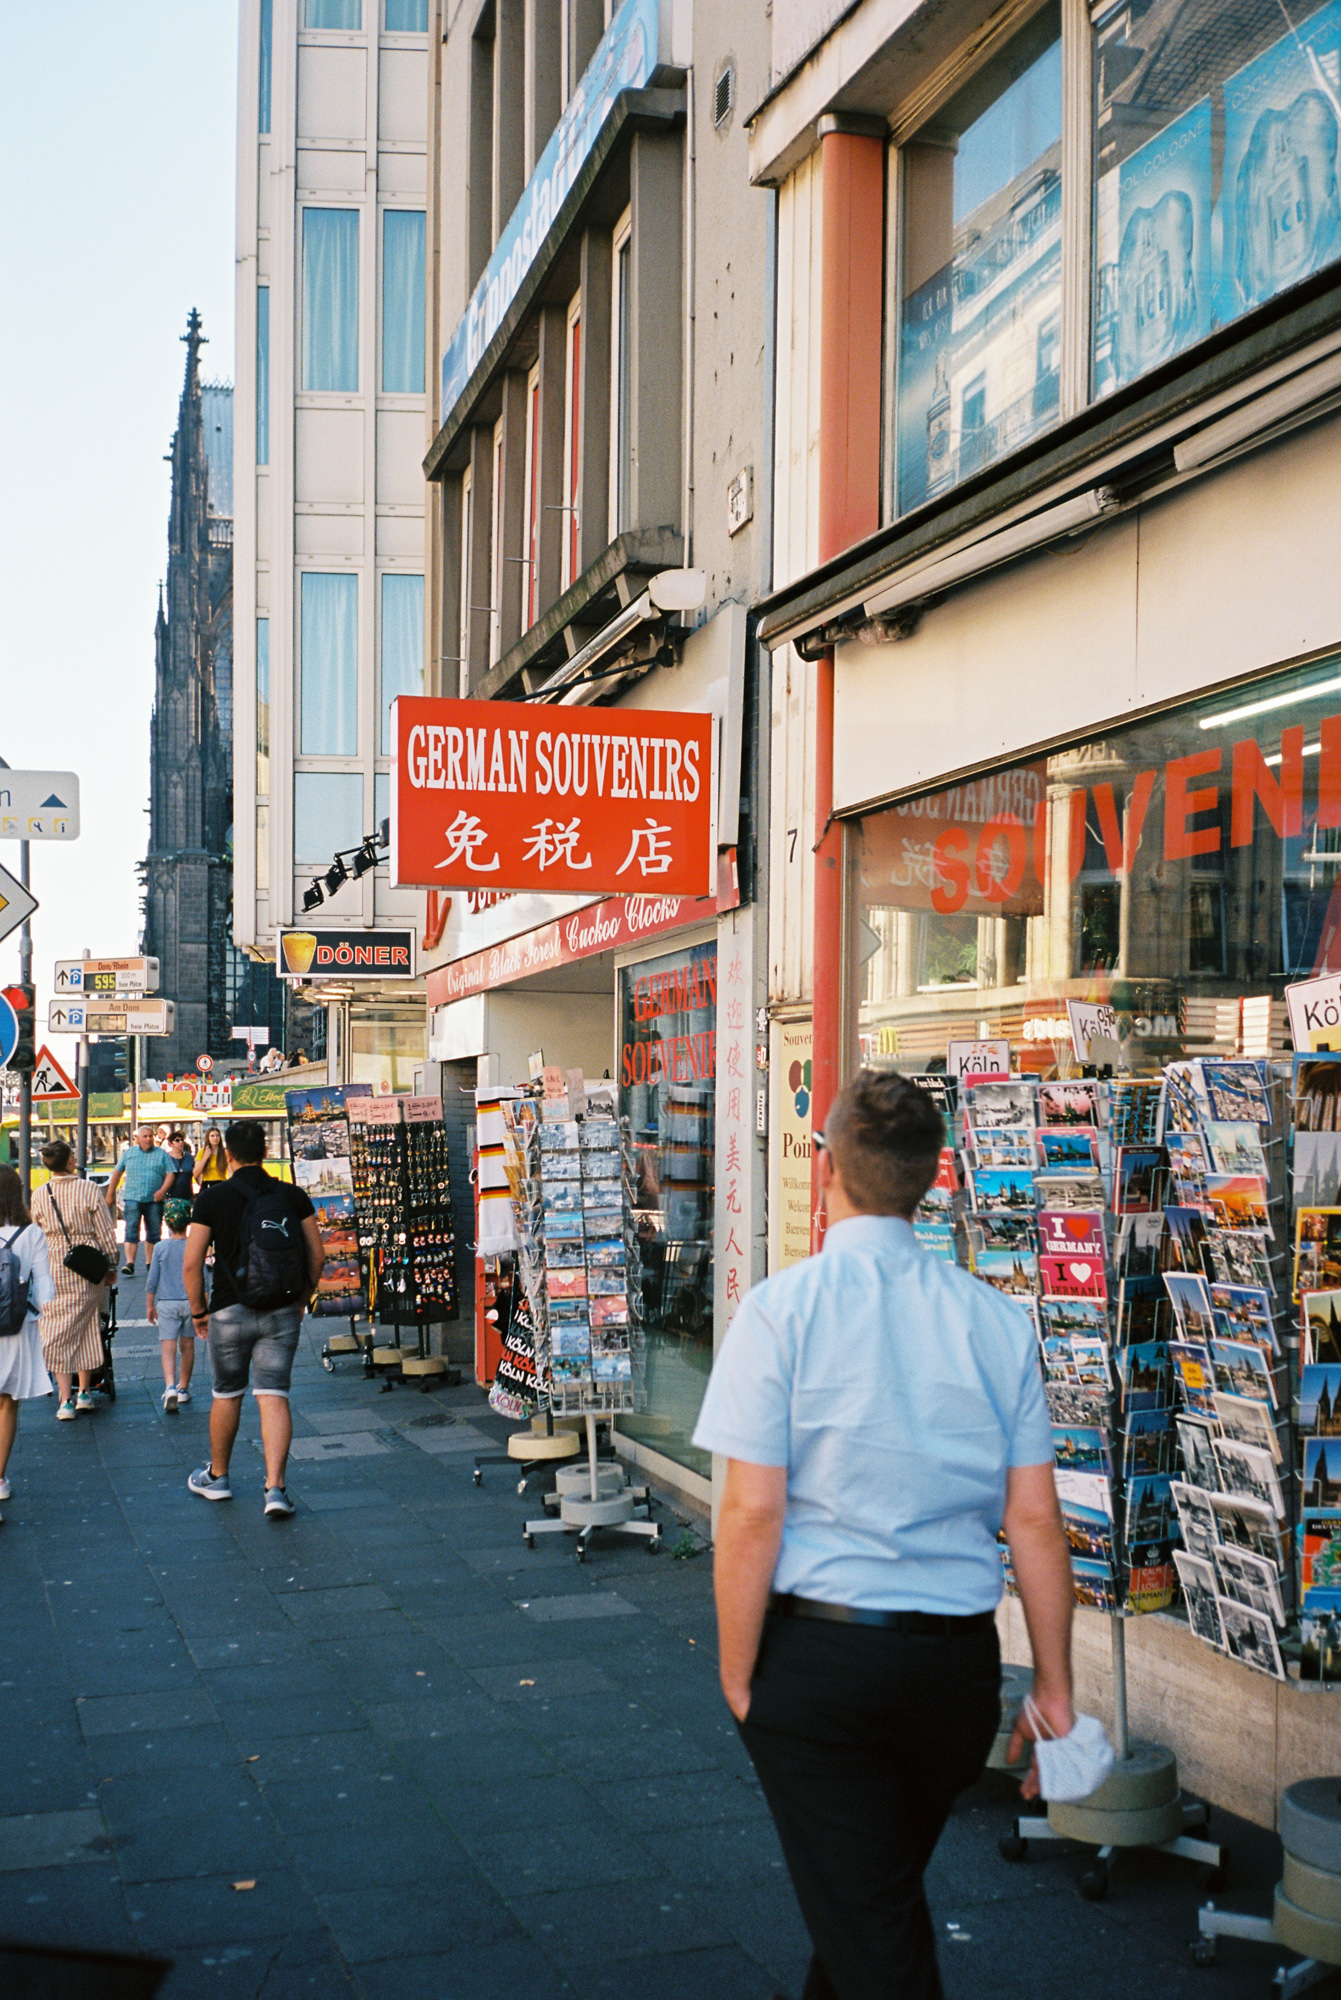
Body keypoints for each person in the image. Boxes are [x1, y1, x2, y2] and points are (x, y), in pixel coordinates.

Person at [692, 1070, 1075, 2000]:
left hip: (818, 1664)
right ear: (934, 1173)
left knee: (873, 1932)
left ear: (825, 1167)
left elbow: (749, 1513)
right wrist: (1056, 1689)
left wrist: (739, 1675)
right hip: (952, 1678)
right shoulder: (994, 1318)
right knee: (868, 1900)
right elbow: (1032, 1518)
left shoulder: (782, 1311)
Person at [184, 1119, 325, 1516]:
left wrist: (198, 1311)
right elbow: (318, 1255)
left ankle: (218, 1478)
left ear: (228, 1155)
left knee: (227, 1393)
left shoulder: (212, 1199)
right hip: (282, 1310)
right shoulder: (292, 1195)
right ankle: (275, 1489)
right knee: (274, 1395)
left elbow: (192, 1264)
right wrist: (302, 1296)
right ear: (265, 1151)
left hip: (228, 1311)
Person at [31, 1141, 118, 1421]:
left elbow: (36, 1232)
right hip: (86, 1266)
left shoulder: (40, 1194)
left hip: (54, 1266)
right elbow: (105, 1232)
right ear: (70, 1161)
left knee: (56, 1331)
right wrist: (111, 1264)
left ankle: (64, 1399)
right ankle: (84, 1393)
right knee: (86, 1326)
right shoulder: (89, 1189)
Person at [0, 1165, 55, 1514]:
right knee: (7, 1402)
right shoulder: (31, 1233)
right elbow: (45, 1286)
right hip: (17, 1327)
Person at [147, 1199, 196, 1412]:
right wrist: (202, 1305)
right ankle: (183, 1387)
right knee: (188, 1347)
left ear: (167, 1222)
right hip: (189, 1302)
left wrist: (150, 1305)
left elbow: (152, 1280)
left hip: (167, 1303)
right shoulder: (194, 1245)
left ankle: (170, 1386)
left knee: (168, 1347)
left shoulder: (159, 1247)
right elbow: (201, 1277)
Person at [106, 1126, 175, 1277]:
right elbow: (117, 1173)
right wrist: (110, 1195)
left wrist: (162, 1191)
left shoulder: (162, 1154)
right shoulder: (129, 1153)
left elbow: (171, 1174)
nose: (148, 1139)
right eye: (145, 1136)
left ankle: (150, 1263)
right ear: (138, 1138)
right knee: (131, 1229)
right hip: (132, 1198)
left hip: (154, 1199)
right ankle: (130, 1263)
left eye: (150, 1136)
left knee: (154, 1232)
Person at [163, 1131, 195, 1200]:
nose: (180, 1142)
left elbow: (196, 1174)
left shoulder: (189, 1157)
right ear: (170, 1144)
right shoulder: (165, 1158)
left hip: (187, 1197)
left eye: (182, 1140)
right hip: (170, 1197)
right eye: (177, 1140)